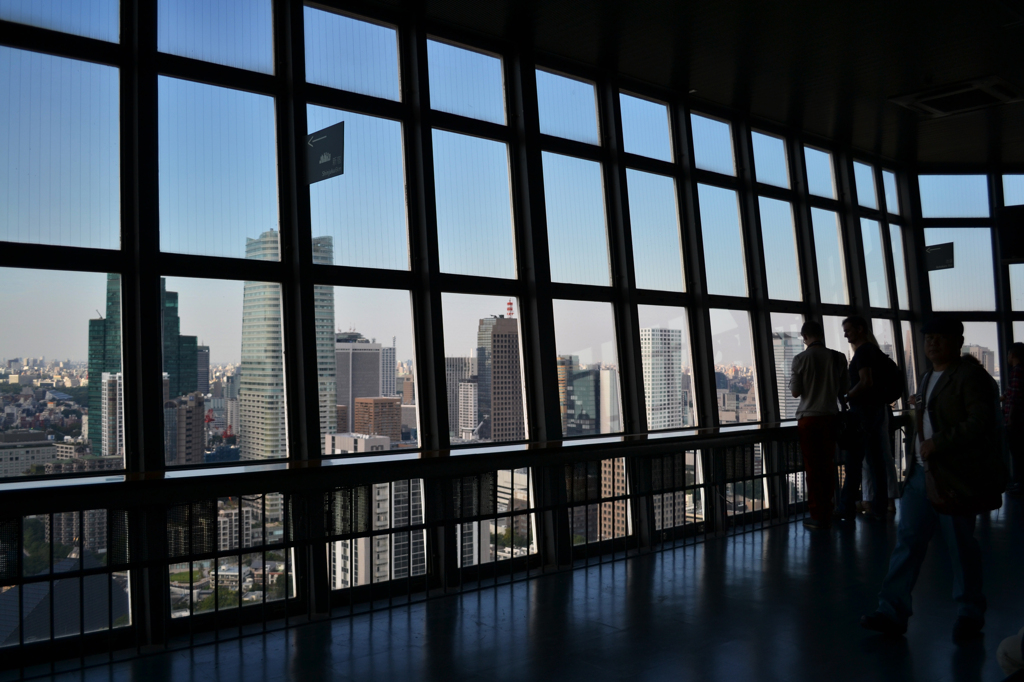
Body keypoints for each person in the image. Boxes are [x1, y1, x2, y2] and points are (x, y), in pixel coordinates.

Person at [861, 318, 1003, 642]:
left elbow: (981, 421)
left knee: (960, 545)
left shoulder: (970, 376)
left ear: (957, 341)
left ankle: (969, 612)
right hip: (921, 475)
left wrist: (940, 442)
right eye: (929, 338)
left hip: (952, 475)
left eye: (940, 338)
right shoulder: (927, 378)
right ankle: (891, 610)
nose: (933, 344)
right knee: (908, 542)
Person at [789, 320, 850, 530]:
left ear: (804, 337)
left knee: (812, 468)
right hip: (831, 417)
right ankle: (829, 508)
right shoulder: (838, 357)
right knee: (827, 465)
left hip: (809, 419)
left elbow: (795, 392)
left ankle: (818, 514)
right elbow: (844, 388)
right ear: (821, 335)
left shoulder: (800, 359)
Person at [836, 316, 890, 522]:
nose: (845, 334)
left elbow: (866, 381)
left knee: (853, 463)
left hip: (862, 415)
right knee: (876, 461)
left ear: (860, 329)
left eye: (848, 330)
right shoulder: (875, 352)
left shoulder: (863, 353)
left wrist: (848, 395)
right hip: (875, 411)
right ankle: (879, 506)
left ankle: (846, 506)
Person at [1004, 342, 1024, 495]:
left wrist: (1010, 419)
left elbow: (1015, 397)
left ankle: (1019, 484)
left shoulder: (1017, 371)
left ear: (1012, 354)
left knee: (1017, 453)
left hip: (1017, 421)